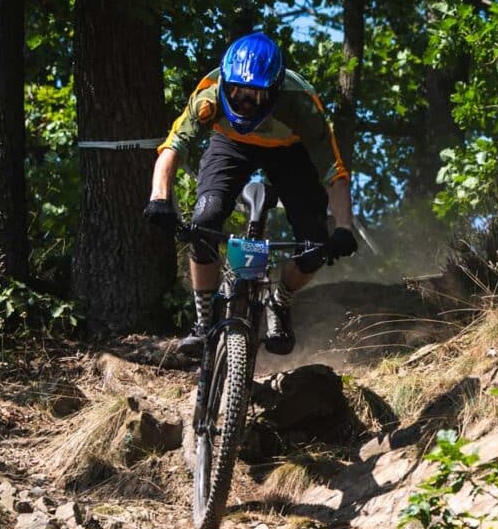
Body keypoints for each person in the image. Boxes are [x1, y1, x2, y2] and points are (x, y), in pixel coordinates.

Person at [142, 30, 357, 357]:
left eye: (253, 97)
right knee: (204, 221)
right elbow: (173, 147)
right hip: (229, 145)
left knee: (315, 246)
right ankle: (203, 322)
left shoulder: (301, 105)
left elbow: (335, 173)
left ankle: (279, 300)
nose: (243, 102)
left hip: (289, 153)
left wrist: (343, 228)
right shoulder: (209, 96)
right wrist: (158, 199)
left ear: (273, 92)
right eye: (236, 92)